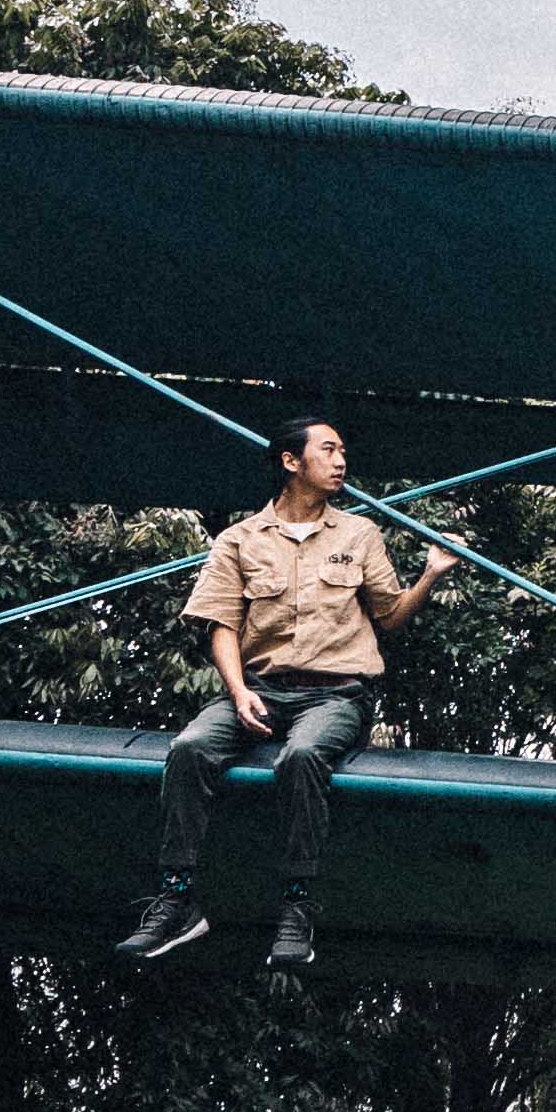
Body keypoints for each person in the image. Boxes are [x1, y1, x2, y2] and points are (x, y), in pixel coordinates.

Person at [116, 414, 459, 971]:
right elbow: (220, 625)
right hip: (257, 687)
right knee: (189, 749)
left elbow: (390, 618)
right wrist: (238, 691)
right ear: (291, 461)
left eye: (343, 450)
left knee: (300, 757)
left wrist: (431, 575)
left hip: (337, 694)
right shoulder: (239, 540)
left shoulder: (359, 534)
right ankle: (177, 898)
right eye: (329, 450)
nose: (341, 461)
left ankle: (298, 904)